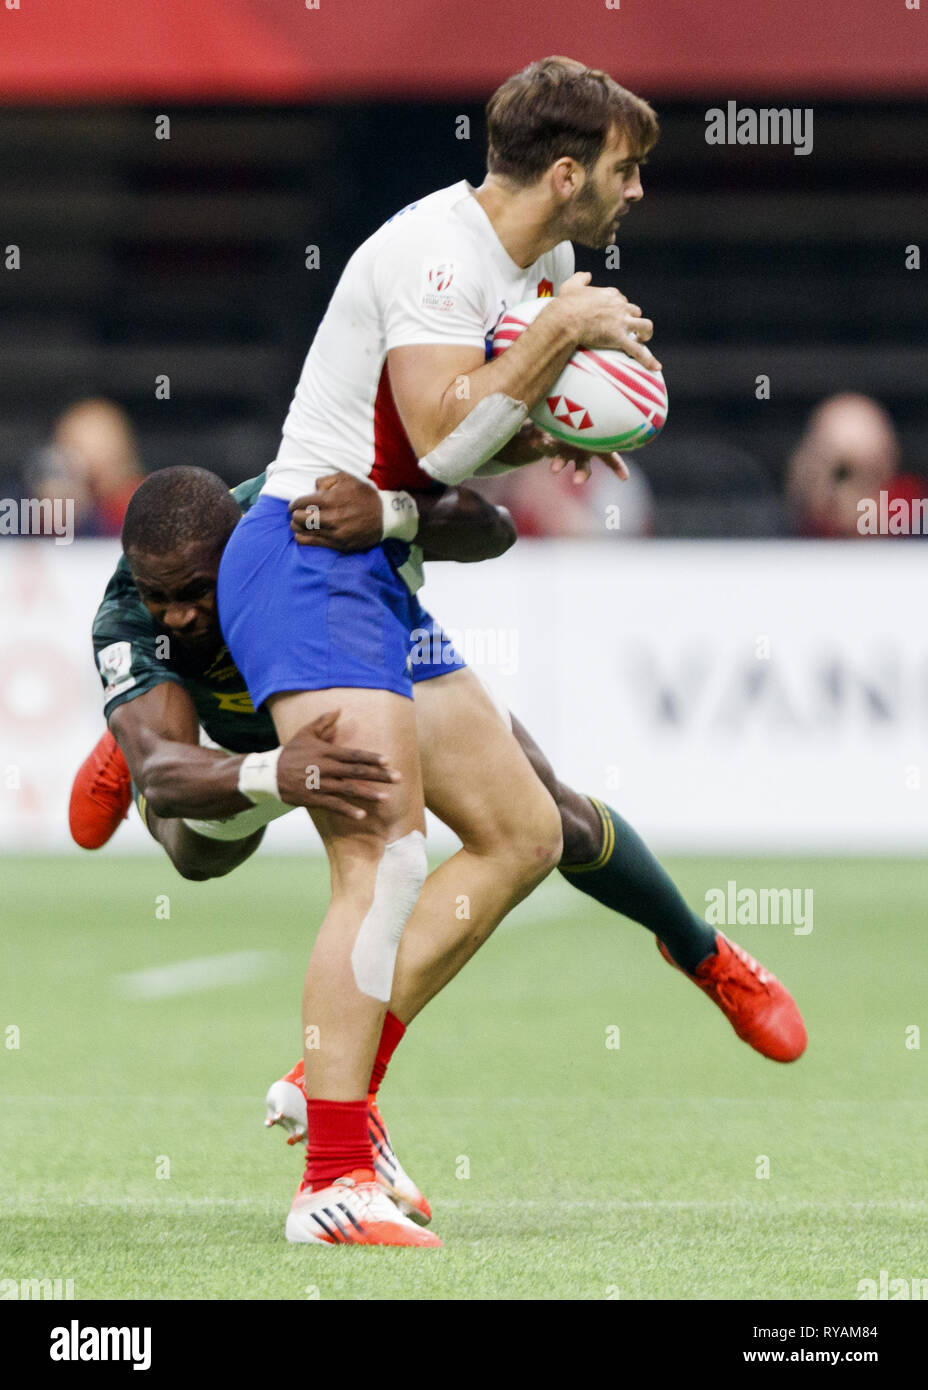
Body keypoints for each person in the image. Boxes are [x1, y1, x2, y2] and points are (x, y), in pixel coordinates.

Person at [71, 466, 807, 1239]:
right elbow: (169, 775)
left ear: (239, 548)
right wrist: (259, 771)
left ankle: (701, 953)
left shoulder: (295, 517)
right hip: (242, 744)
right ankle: (141, 721)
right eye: (161, 597)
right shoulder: (131, 618)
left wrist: (393, 516)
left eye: (195, 590)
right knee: (197, 850)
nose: (179, 613)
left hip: (355, 652)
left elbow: (493, 529)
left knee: (551, 818)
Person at [214, 55, 669, 1246]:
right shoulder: (437, 254)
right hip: (305, 551)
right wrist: (562, 338)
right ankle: (328, 1182)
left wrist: (556, 426)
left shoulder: (545, 263)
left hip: (372, 567)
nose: (634, 195)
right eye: (624, 172)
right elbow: (436, 434)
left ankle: (333, 1097)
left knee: (522, 832)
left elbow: (475, 438)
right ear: (566, 172)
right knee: (383, 855)